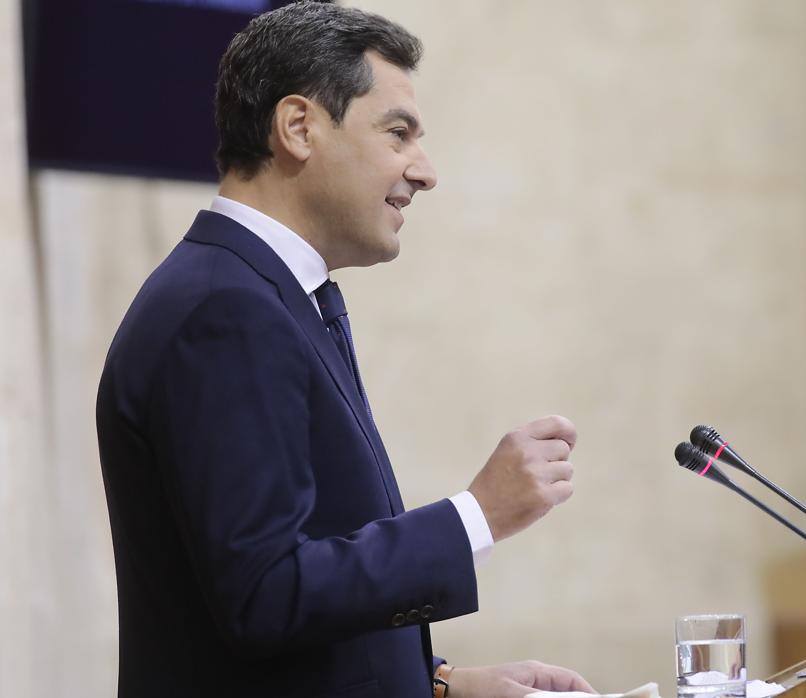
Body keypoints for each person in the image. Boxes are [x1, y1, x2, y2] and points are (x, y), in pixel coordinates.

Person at [95, 3, 594, 696]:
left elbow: (297, 583)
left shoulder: (263, 294)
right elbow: (264, 595)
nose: (424, 172)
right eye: (398, 134)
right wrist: (476, 514)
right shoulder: (226, 310)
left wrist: (442, 683)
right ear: (299, 127)